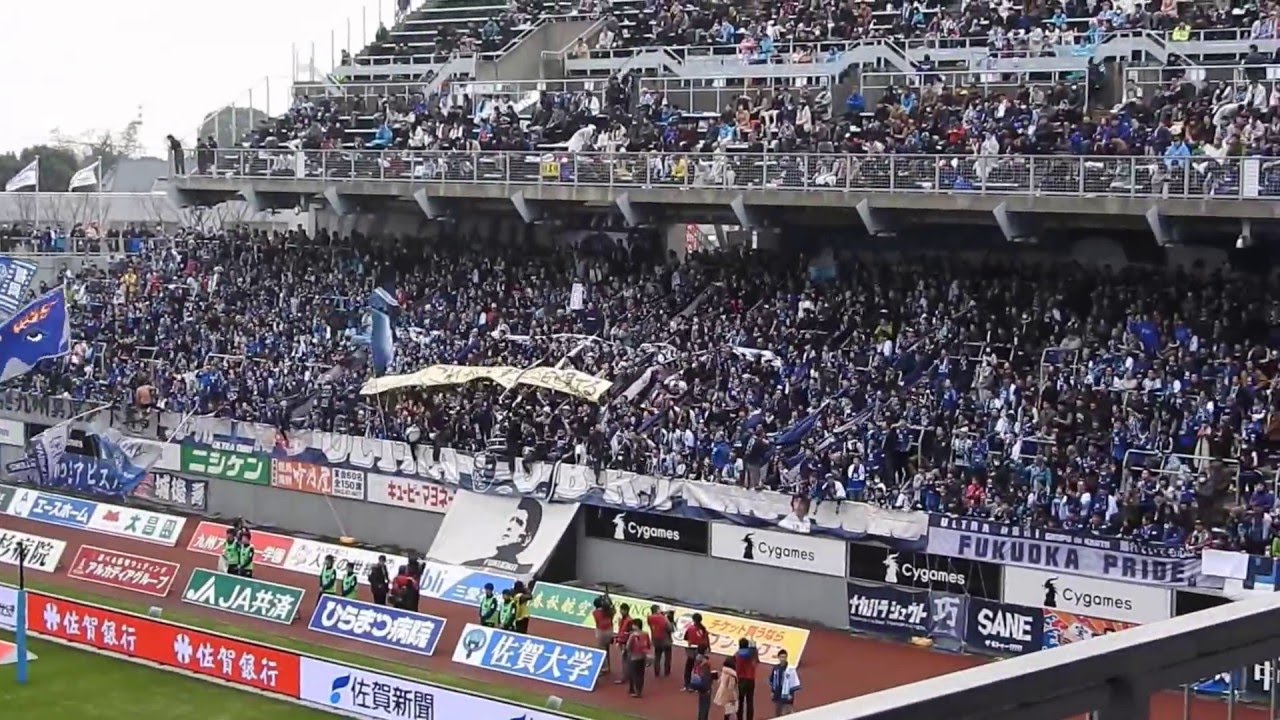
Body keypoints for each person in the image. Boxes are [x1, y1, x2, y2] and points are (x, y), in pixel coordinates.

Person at [462, 496, 542, 575]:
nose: (509, 526)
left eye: (518, 523)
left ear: (526, 539)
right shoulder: (471, 564)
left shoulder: (527, 571)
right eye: (511, 520)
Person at [683, 612, 711, 690]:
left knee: (689, 668)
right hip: (701, 651)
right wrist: (708, 648)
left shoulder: (690, 628)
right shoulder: (703, 629)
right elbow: (706, 640)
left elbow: (685, 638)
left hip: (692, 650)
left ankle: (687, 685)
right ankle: (698, 685)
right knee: (699, 669)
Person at [768, 649, 801, 715]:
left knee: (787, 713)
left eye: (784, 657)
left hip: (787, 695)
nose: (783, 659)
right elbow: (773, 680)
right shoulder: (775, 668)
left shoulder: (790, 669)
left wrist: (791, 694)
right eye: (781, 657)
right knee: (778, 713)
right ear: (778, 657)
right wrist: (772, 691)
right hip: (777, 694)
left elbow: (794, 682)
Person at [625, 618, 652, 698]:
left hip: (634, 657)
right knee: (641, 674)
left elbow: (628, 646)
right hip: (642, 657)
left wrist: (629, 652)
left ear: (636, 626)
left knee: (633, 674)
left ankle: (632, 689)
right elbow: (648, 645)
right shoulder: (646, 634)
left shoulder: (633, 635)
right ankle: (639, 690)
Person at [734, 638, 759, 720]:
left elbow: (737, 668)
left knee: (740, 701)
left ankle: (739, 718)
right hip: (751, 680)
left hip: (741, 680)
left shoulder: (737, 654)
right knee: (750, 701)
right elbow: (756, 661)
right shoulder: (752, 654)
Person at [592, 594, 616, 676]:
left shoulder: (595, 613)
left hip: (601, 632)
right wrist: (608, 602)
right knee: (607, 649)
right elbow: (612, 610)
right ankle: (608, 666)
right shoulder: (609, 612)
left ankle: (604, 668)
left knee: (601, 650)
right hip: (610, 631)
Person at [648, 605, 672, 678]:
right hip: (665, 639)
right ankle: (667, 671)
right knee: (668, 656)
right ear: (657, 610)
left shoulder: (649, 618)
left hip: (655, 639)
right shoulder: (663, 618)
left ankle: (657, 671)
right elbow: (669, 628)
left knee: (657, 655)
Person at [690, 651, 716, 720]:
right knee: (705, 706)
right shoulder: (706, 665)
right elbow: (707, 677)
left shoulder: (697, 662)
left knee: (701, 705)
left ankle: (700, 718)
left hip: (699, 686)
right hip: (706, 688)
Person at [614, 602, 633, 685]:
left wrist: (626, 644)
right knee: (625, 660)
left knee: (625, 660)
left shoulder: (629, 621)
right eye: (620, 610)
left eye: (622, 610)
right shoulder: (622, 619)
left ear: (626, 610)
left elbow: (629, 633)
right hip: (622, 642)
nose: (621, 612)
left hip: (626, 643)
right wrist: (617, 639)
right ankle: (627, 675)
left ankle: (625, 677)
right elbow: (621, 631)